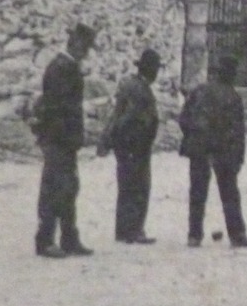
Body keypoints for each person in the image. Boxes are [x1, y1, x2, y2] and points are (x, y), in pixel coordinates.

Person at [32, 22, 98, 258]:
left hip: (63, 139)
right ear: (76, 44)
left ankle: (69, 238)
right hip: (58, 139)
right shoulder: (61, 68)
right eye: (85, 47)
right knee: (54, 189)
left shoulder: (65, 66)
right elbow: (58, 109)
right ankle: (46, 240)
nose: (86, 52)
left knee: (69, 188)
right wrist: (67, 138)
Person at [179, 53, 247, 249]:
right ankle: (237, 235)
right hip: (223, 151)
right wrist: (239, 158)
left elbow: (184, 119)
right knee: (229, 193)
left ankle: (194, 235)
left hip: (199, 149)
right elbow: (238, 132)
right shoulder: (233, 97)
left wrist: (192, 137)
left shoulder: (198, 91)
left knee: (197, 192)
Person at [97, 46, 162, 244]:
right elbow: (127, 117)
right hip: (136, 146)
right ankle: (135, 231)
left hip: (126, 146)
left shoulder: (128, 84)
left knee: (126, 187)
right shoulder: (141, 90)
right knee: (139, 187)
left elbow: (115, 114)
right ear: (151, 70)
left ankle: (123, 230)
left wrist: (108, 140)